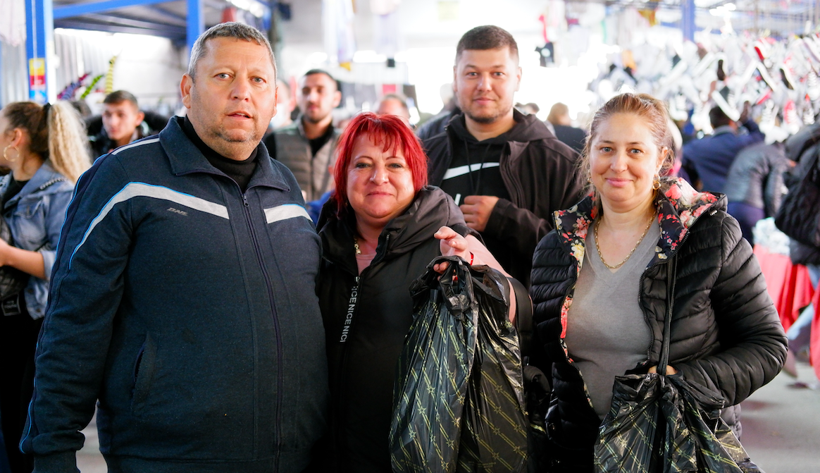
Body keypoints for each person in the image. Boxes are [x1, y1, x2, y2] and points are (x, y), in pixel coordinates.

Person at [20, 23, 328, 473]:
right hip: (168, 458)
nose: (243, 92)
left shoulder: (284, 188)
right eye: (223, 75)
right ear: (187, 89)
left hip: (293, 456)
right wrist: (51, 449)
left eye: (258, 80)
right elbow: (74, 321)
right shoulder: (126, 178)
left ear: (276, 98)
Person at [529, 93, 787, 471]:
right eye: (606, 148)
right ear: (589, 154)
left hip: (678, 452)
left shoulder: (709, 236)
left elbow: (767, 346)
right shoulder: (555, 248)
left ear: (661, 159)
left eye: (635, 150)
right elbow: (549, 358)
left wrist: (685, 382)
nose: (619, 164)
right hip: (579, 452)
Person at [315, 112, 513, 471]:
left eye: (395, 164)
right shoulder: (322, 247)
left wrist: (482, 275)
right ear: (343, 176)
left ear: (416, 176)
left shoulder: (446, 241)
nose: (379, 177)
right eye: (362, 164)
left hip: (417, 458)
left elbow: (519, 313)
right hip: (327, 456)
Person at [423, 25, 584, 286]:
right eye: (472, 73)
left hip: (526, 321)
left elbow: (579, 254)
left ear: (517, 78)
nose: (484, 85)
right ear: (455, 78)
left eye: (497, 73)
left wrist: (506, 220)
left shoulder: (560, 164)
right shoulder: (424, 157)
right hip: (430, 317)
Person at [0, 101, 89, 473]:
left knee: (26, 429)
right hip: (6, 321)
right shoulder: (6, 184)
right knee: (8, 425)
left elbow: (65, 265)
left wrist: (6, 254)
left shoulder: (59, 190)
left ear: (15, 137)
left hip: (35, 324)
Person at [265, 69, 342, 202]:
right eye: (305, 91)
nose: (311, 98)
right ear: (297, 97)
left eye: (320, 90)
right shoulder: (276, 140)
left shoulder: (346, 142)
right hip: (290, 220)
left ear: (336, 98)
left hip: (335, 220)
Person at [681, 104, 765, 193]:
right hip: (741, 199)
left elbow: (680, 158)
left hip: (714, 201)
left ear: (712, 125)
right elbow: (760, 136)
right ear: (731, 122)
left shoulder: (698, 147)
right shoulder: (743, 143)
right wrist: (745, 120)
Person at [723, 141, 788, 245]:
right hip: (751, 208)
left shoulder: (752, 148)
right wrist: (775, 221)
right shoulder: (779, 157)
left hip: (729, 204)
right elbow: (773, 192)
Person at [88, 90, 147, 158]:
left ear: (138, 118)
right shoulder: (92, 146)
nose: (113, 123)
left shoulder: (152, 146)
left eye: (121, 115)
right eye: (107, 114)